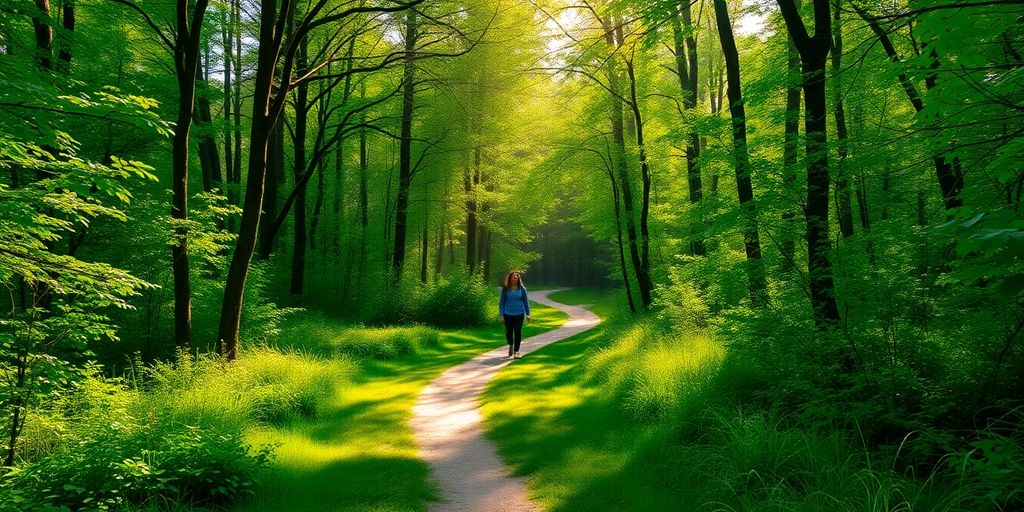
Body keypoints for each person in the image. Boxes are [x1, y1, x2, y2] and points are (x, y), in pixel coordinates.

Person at [499, 271, 531, 359]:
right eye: (513, 277)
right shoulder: (505, 289)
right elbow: (502, 302)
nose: (515, 278)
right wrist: (501, 314)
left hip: (519, 314)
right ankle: (510, 345)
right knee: (509, 333)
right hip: (507, 314)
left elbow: (525, 302)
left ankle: (516, 352)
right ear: (510, 278)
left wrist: (528, 314)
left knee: (517, 332)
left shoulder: (522, 289)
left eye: (517, 277)